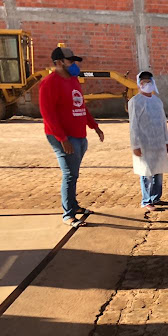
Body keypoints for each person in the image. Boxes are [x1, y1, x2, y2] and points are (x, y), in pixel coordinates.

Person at [39, 46, 104, 227]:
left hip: (79, 134)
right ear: (59, 62)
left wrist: (94, 126)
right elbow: (48, 114)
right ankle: (68, 214)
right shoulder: (49, 83)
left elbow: (81, 106)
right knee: (69, 174)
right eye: (71, 61)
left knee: (74, 174)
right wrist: (62, 139)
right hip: (63, 136)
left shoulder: (74, 80)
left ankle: (73, 205)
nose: (74, 65)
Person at [128, 71, 168, 211]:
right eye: (143, 82)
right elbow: (133, 125)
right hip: (144, 143)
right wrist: (135, 145)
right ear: (139, 84)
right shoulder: (135, 102)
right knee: (146, 172)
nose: (147, 84)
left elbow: (163, 122)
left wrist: (166, 141)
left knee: (158, 170)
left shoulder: (157, 101)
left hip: (158, 141)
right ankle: (146, 200)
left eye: (149, 81)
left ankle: (156, 197)